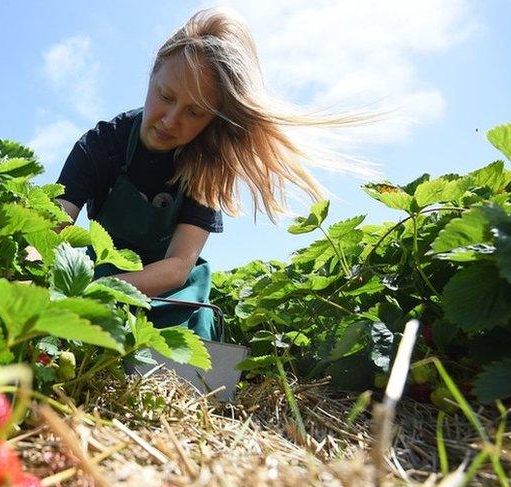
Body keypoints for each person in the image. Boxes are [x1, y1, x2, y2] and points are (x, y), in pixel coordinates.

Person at [53, 7, 370, 340]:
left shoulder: (208, 167)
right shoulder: (103, 145)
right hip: (107, 270)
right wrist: (60, 282)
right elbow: (52, 228)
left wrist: (108, 293)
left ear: (212, 119)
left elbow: (177, 266)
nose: (171, 120)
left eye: (194, 112)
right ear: (153, 72)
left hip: (169, 288)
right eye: (165, 96)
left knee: (184, 343)